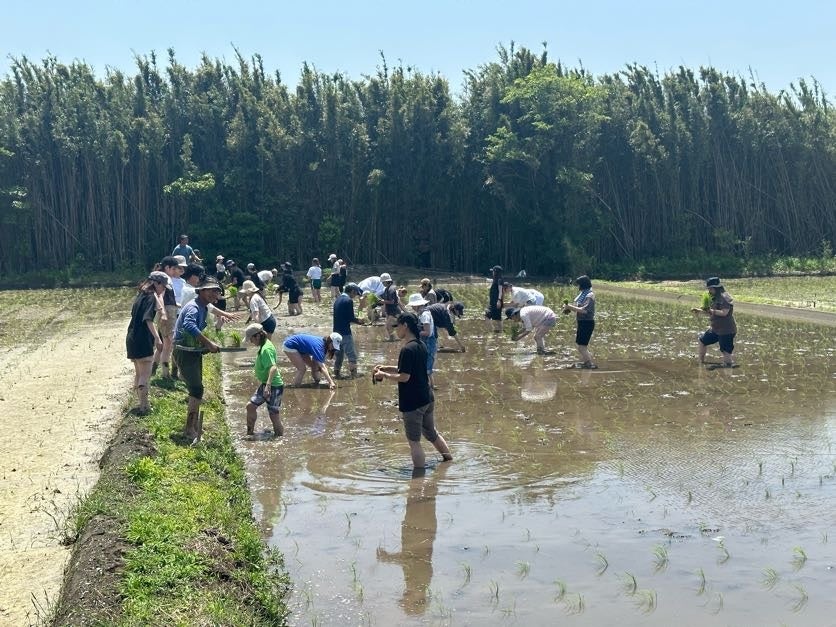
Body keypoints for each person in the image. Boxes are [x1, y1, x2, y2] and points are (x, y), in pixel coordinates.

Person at [373, 312, 453, 469]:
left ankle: (418, 477)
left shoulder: (407, 350)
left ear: (405, 326)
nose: (396, 330)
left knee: (414, 442)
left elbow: (404, 377)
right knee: (432, 433)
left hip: (413, 402)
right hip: (427, 398)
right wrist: (386, 367)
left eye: (397, 326)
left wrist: (384, 375)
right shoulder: (421, 345)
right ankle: (449, 460)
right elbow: (408, 369)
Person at [173, 276, 223, 443]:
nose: (213, 294)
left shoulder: (203, 307)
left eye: (216, 291)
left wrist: (203, 347)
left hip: (192, 351)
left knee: (197, 388)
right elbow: (189, 325)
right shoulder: (194, 307)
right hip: (184, 351)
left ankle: (193, 426)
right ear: (201, 291)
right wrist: (208, 343)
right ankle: (189, 430)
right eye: (210, 291)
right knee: (196, 389)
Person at [125, 271, 167, 414]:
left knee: (139, 373)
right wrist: (157, 338)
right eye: (164, 286)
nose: (164, 290)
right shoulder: (150, 297)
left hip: (131, 337)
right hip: (142, 339)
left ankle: (140, 403)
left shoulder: (140, 295)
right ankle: (144, 406)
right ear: (157, 283)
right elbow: (148, 319)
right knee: (145, 375)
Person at [243, 323, 285, 437]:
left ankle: (280, 438)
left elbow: (273, 367)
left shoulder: (266, 349)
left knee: (274, 415)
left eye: (251, 339)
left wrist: (268, 386)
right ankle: (250, 434)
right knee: (250, 406)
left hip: (273, 386)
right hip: (266, 384)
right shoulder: (264, 345)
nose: (251, 342)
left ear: (257, 336)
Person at [692, 276, 737, 367]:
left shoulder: (725, 298)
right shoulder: (714, 298)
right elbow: (711, 312)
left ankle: (728, 366)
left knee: (725, 351)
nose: (709, 291)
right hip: (715, 329)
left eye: (710, 289)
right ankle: (701, 362)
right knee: (702, 341)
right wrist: (700, 311)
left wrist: (711, 311)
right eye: (708, 289)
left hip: (726, 330)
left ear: (717, 288)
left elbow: (724, 313)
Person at [152, 255, 185, 378]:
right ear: (167, 268)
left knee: (166, 345)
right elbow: (159, 296)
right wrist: (164, 313)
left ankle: (162, 373)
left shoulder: (160, 277)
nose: (175, 271)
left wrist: (178, 305)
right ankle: (177, 373)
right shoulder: (164, 278)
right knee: (174, 343)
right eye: (174, 269)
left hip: (168, 311)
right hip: (168, 314)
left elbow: (167, 299)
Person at [332, 283, 366, 378]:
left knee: (339, 356)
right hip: (345, 333)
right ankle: (354, 375)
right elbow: (350, 318)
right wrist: (359, 321)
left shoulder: (337, 299)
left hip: (335, 332)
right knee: (352, 355)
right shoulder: (348, 301)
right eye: (355, 294)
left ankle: (336, 374)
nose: (355, 296)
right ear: (352, 291)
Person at [562, 275, 597, 368]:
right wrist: (569, 309)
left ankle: (589, 364)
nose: (578, 287)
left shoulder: (589, 295)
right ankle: (587, 362)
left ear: (582, 285)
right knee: (581, 346)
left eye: (578, 285)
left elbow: (584, 311)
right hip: (582, 322)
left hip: (587, 323)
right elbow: (579, 308)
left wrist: (569, 307)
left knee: (582, 347)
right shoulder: (584, 294)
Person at [407, 293, 436, 389]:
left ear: (417, 305)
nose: (412, 308)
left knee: (426, 366)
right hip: (426, 342)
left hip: (428, 342)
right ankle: (431, 386)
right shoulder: (423, 313)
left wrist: (415, 332)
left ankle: (428, 387)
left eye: (413, 306)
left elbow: (427, 332)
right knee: (426, 366)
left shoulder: (424, 315)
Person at [381, 272, 402, 341]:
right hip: (390, 311)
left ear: (387, 281)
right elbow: (385, 299)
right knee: (391, 326)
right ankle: (394, 338)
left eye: (383, 282)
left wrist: (382, 301)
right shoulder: (386, 289)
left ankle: (392, 338)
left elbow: (392, 301)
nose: (382, 283)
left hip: (394, 311)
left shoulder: (391, 289)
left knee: (388, 325)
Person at [488, 265, 504, 332]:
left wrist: (499, 301)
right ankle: (495, 331)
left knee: (498, 318)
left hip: (497, 301)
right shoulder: (495, 280)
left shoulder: (499, 280)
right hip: (493, 301)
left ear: (496, 272)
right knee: (491, 316)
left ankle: (500, 331)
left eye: (493, 271)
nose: (492, 272)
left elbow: (500, 291)